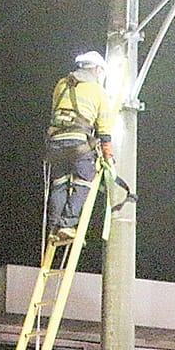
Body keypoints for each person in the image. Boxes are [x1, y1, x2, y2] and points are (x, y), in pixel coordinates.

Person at [45, 50, 115, 244]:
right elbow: (104, 129)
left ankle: (54, 228)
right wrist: (108, 154)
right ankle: (67, 224)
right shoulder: (98, 92)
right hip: (77, 142)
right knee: (84, 178)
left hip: (55, 143)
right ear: (97, 69)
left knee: (59, 184)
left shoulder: (61, 85)